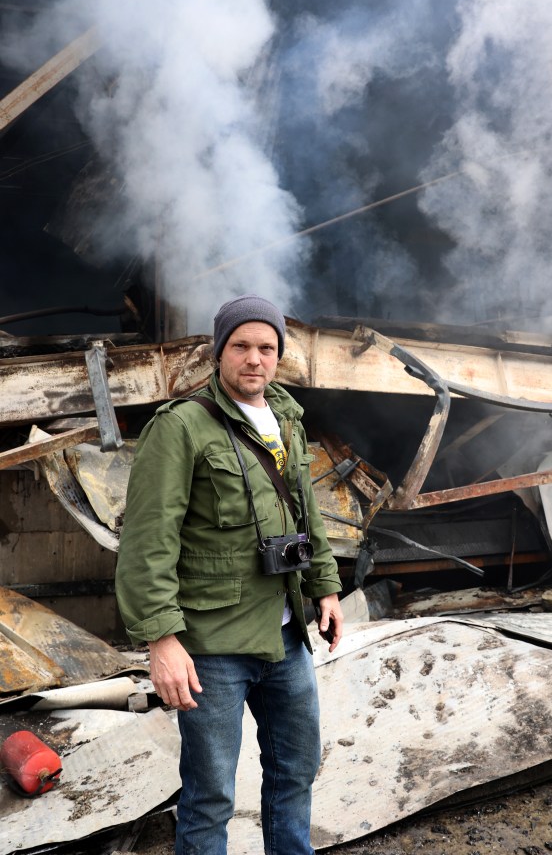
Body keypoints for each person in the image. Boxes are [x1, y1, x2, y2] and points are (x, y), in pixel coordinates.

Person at [115, 294, 343, 855]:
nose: (254, 359)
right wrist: (161, 640)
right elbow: (147, 542)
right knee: (210, 795)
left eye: (267, 347)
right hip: (211, 645)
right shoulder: (183, 426)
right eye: (241, 345)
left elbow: (305, 513)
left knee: (297, 771)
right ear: (219, 352)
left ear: (278, 356)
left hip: (286, 637)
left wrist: (326, 587)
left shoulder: (287, 417)